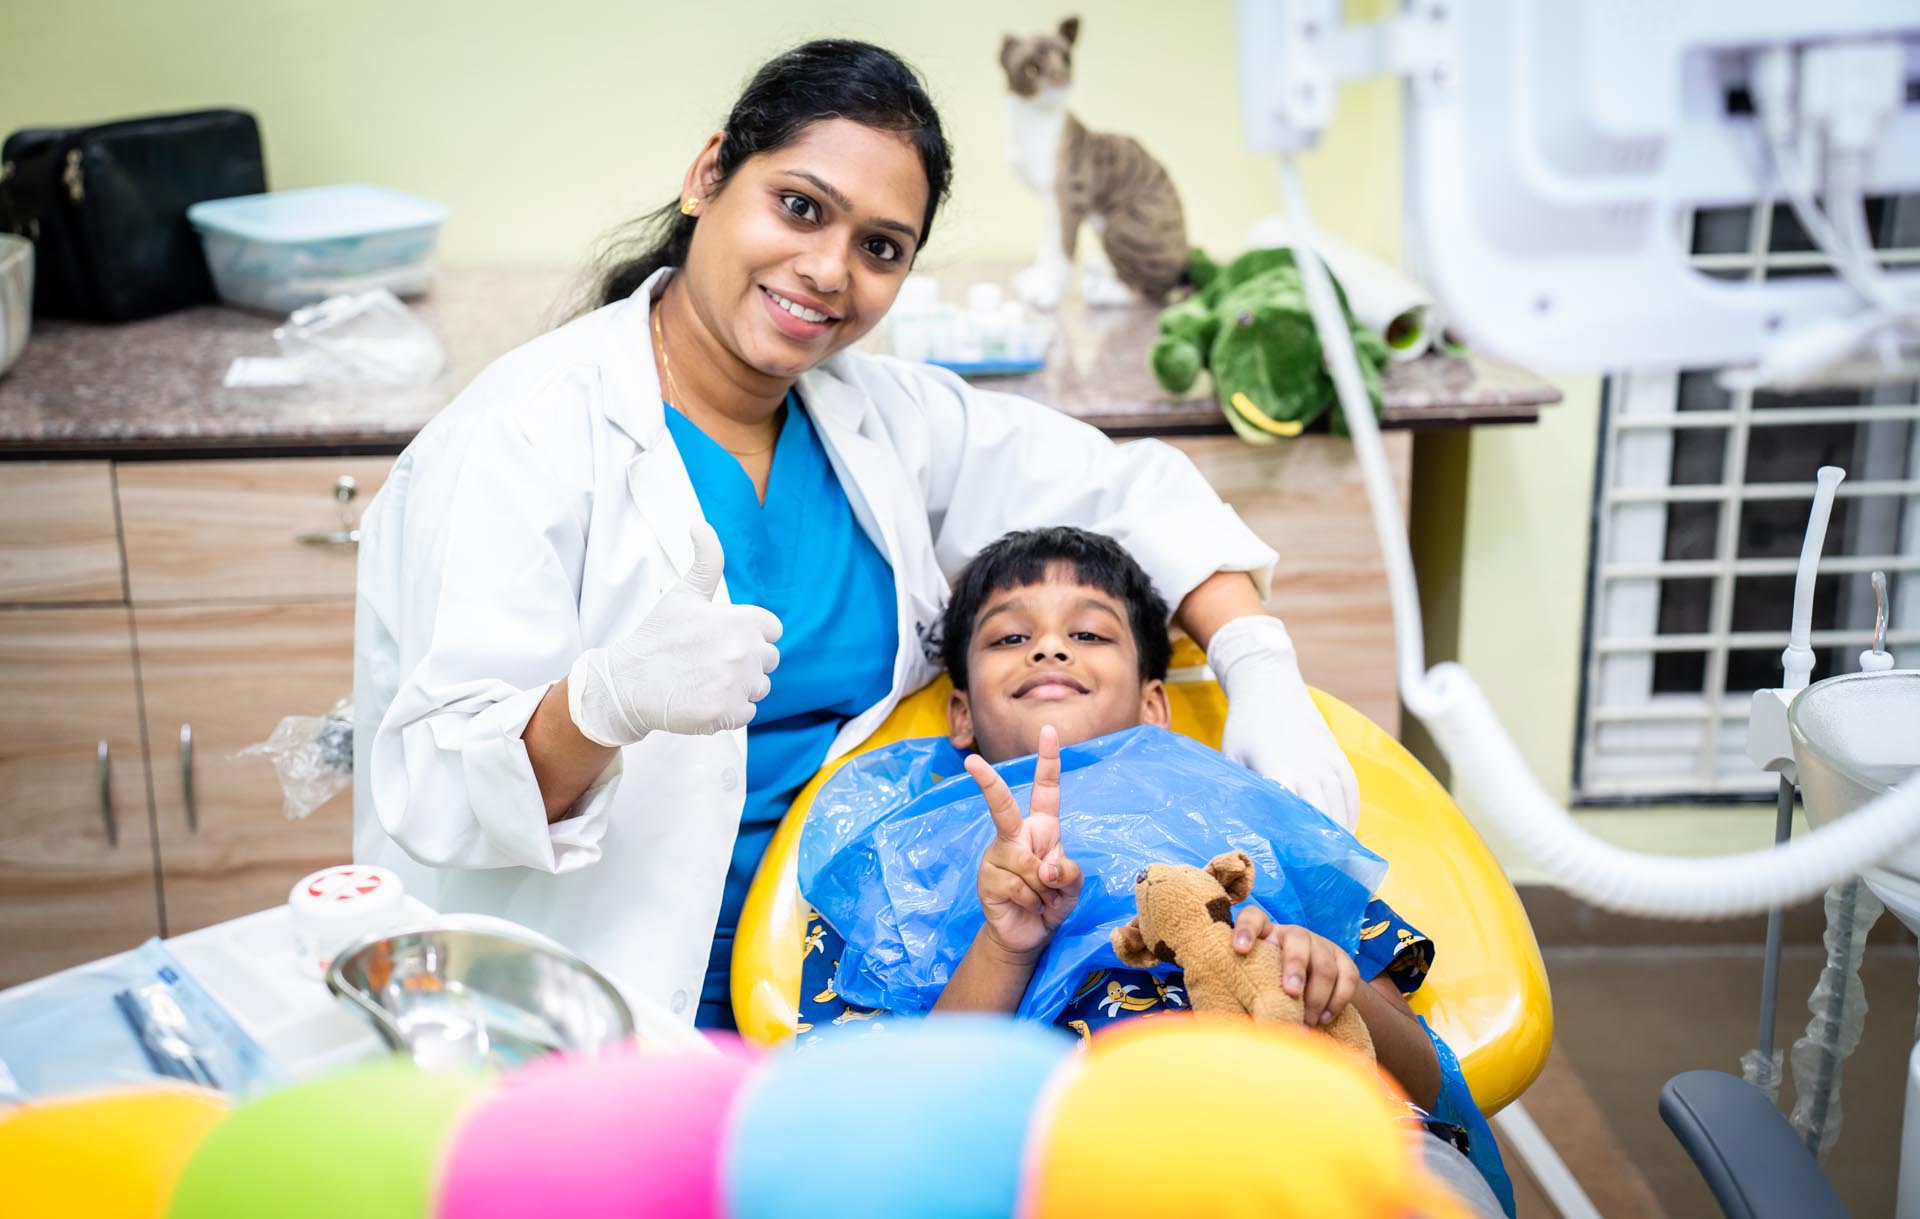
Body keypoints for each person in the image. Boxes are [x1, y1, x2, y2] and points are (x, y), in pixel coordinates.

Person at [353, 39, 1356, 1034]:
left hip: (843, 985)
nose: (829, 270)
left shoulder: (877, 416)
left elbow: (1125, 488)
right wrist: (602, 704)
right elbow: (436, 784)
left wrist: (1256, 657)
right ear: (709, 175)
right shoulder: (517, 436)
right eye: (799, 206)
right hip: (585, 1001)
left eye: (880, 247)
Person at [794, 526, 1510, 1216]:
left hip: (1323, 1135)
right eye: (1012, 637)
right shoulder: (898, 860)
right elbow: (901, 1119)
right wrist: (1004, 944)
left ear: (1153, 704)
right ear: (960, 713)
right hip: (1071, 1154)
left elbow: (1421, 1078)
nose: (1048, 648)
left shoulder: (1262, 828)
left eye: (1090, 634)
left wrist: (1332, 989)